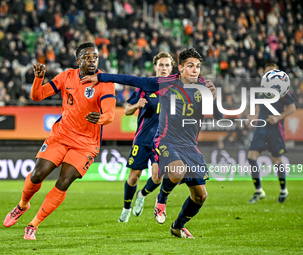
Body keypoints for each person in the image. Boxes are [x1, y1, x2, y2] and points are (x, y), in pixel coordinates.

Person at [82, 48, 223, 238]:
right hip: (166, 140)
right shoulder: (165, 83)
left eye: (198, 66)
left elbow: (216, 114)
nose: (195, 70)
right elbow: (133, 80)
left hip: (190, 145)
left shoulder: (204, 85)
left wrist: (213, 98)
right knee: (175, 170)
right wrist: (101, 77)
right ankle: (161, 198)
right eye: (190, 66)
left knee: (200, 196)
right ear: (180, 68)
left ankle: (177, 225)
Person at [3, 42, 116, 240]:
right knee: (38, 174)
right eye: (87, 57)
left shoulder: (104, 82)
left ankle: (33, 224)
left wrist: (102, 118)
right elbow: (37, 96)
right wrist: (38, 79)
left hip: (86, 144)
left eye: (95, 57)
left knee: (64, 181)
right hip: (61, 136)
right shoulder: (66, 76)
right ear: (78, 60)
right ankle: (22, 206)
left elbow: (110, 113)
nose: (92, 60)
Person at [119, 52, 174, 223]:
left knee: (158, 176)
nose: (164, 68)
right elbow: (127, 110)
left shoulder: (175, 89)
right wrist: (137, 104)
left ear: (171, 68)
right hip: (143, 138)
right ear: (155, 67)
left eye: (167, 65)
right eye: (161, 65)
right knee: (134, 175)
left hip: (162, 140)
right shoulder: (145, 86)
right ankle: (126, 207)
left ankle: (142, 195)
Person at [247, 63, 296, 203]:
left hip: (275, 129)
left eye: (272, 71)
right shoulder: (261, 89)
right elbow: (258, 105)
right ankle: (258, 191)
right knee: (251, 156)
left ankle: (283, 190)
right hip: (261, 129)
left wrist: (278, 117)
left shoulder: (283, 90)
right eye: (267, 71)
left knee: (276, 160)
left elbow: (292, 108)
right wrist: (252, 116)